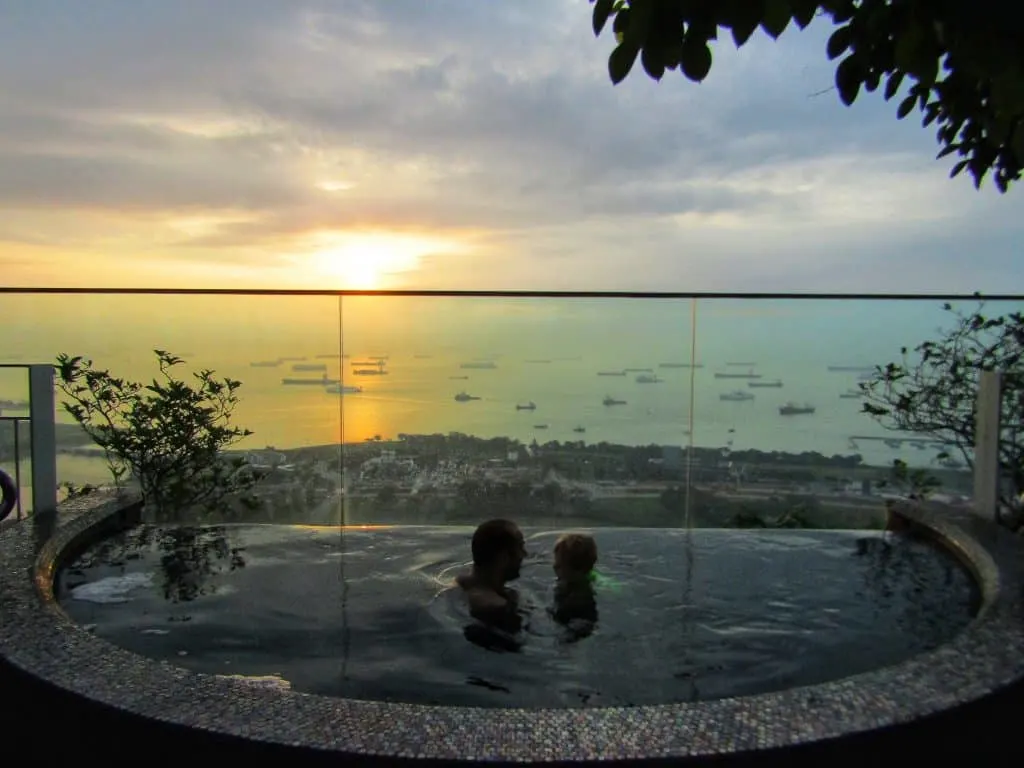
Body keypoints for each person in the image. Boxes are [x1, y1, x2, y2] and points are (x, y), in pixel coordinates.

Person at [455, 518, 528, 637]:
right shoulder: (495, 606)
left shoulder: (459, 583)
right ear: (503, 557)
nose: (525, 554)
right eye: (520, 547)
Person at [550, 533, 599, 639]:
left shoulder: (577, 597)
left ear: (577, 569)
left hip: (575, 622)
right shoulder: (588, 579)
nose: (554, 566)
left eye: (559, 565)